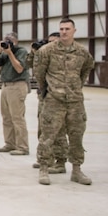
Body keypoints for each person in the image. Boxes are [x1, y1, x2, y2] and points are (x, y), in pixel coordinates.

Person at [33, 18, 95, 186]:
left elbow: (87, 68)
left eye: (67, 28)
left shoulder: (82, 52)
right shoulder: (47, 51)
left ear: (74, 30)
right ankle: (44, 168)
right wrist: (50, 88)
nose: (64, 31)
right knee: (47, 136)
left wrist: (76, 87)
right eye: (61, 29)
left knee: (76, 136)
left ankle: (76, 170)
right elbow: (39, 73)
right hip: (54, 100)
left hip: (75, 102)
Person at [27, 32, 68, 172]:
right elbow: (29, 64)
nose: (51, 45)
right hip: (44, 96)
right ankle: (46, 159)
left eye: (54, 42)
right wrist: (34, 52)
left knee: (59, 131)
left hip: (59, 97)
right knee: (43, 129)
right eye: (49, 42)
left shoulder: (64, 57)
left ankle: (60, 162)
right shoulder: (44, 54)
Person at [0, 31, 30, 155]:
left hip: (17, 85)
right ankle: (10, 143)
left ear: (16, 41)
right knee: (6, 118)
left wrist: (10, 53)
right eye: (5, 41)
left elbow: (19, 68)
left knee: (17, 118)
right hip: (5, 86)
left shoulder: (21, 51)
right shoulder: (3, 54)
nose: (8, 43)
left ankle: (22, 147)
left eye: (10, 41)